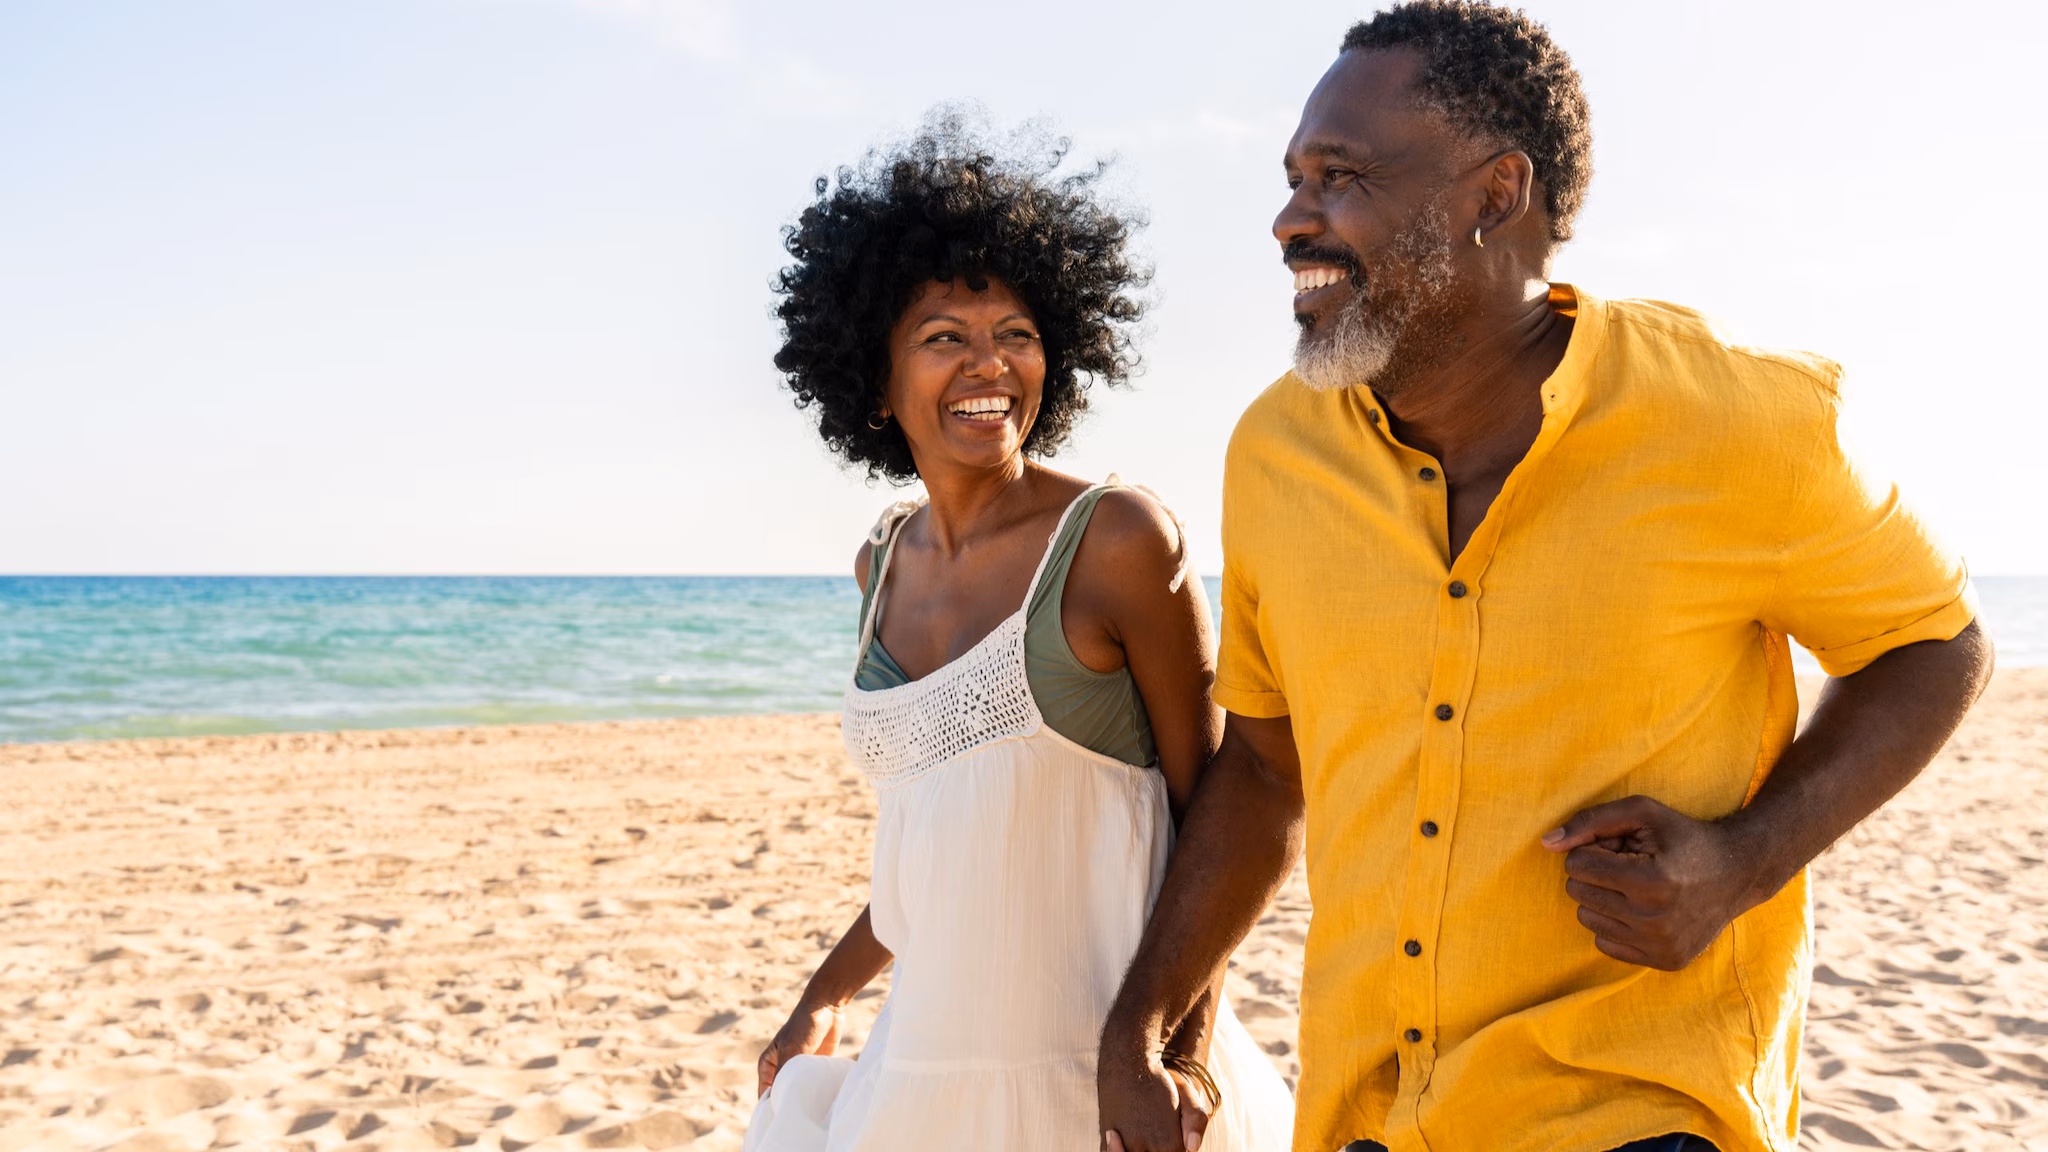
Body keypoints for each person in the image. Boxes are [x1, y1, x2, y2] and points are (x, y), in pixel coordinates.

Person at [1094, 5, 1994, 1152]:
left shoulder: (1733, 420)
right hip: (1367, 1118)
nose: (1288, 219)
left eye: (1340, 177)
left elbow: (1932, 640)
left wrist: (1745, 860)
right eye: (1291, 178)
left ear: (1493, 195)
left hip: (1638, 1118)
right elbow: (1268, 767)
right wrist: (1143, 1031)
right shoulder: (1273, 455)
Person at [742, 117, 1293, 1152]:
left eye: (1016, 332)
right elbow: (946, 844)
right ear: (873, 375)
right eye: (944, 335)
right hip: (919, 1081)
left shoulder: (1117, 541)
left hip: (1093, 1078)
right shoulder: (880, 564)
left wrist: (1176, 1058)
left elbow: (1218, 817)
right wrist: (827, 990)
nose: (987, 364)